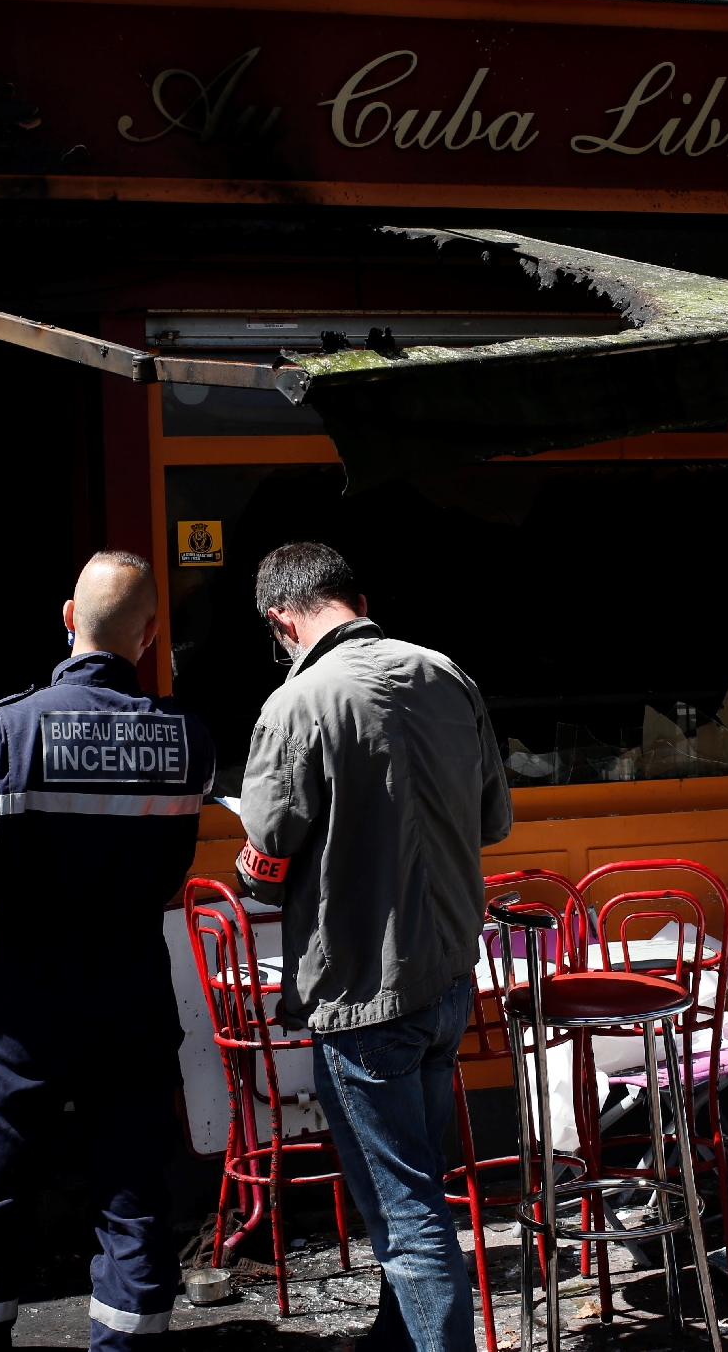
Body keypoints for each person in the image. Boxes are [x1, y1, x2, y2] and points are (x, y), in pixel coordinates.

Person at [0, 550, 213, 1352]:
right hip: (132, 992)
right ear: (148, 636)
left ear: (68, 617)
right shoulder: (187, 740)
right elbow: (170, 873)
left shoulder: (3, 728)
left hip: (23, 997)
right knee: (134, 1197)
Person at [233, 542, 511, 1352]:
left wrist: (251, 864)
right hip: (447, 977)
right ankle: (397, 1335)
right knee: (415, 1179)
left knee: (405, 1209)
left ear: (282, 618)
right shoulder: (445, 673)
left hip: (364, 990)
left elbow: (267, 857)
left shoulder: (297, 702)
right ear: (355, 596)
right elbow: (494, 821)